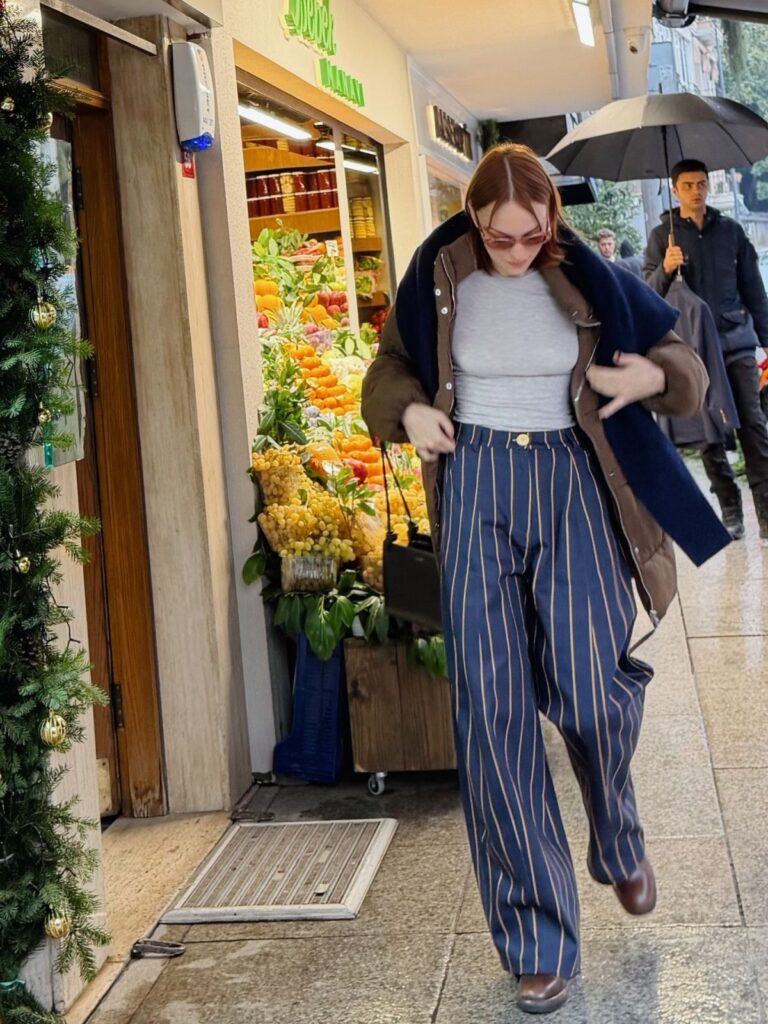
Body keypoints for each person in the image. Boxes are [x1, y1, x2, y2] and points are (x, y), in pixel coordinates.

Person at [362, 144, 728, 1015]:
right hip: (476, 483)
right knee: (492, 716)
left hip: (575, 482)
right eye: (501, 236)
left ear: (552, 222)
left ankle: (618, 832)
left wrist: (651, 376)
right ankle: (538, 941)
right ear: (473, 217)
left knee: (590, 688)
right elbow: (389, 368)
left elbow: (683, 363)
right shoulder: (437, 275)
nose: (518, 251)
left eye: (532, 235)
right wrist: (410, 411)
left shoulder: (591, 276)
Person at [644, 158, 768, 541]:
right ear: (675, 189)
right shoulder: (662, 237)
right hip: (692, 347)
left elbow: (754, 289)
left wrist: (766, 337)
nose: (696, 191)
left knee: (754, 425)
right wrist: (665, 269)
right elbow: (648, 295)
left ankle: (766, 511)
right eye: (688, 185)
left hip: (735, 341)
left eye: (701, 183)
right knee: (707, 431)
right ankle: (730, 508)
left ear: (708, 185)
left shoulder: (731, 231)